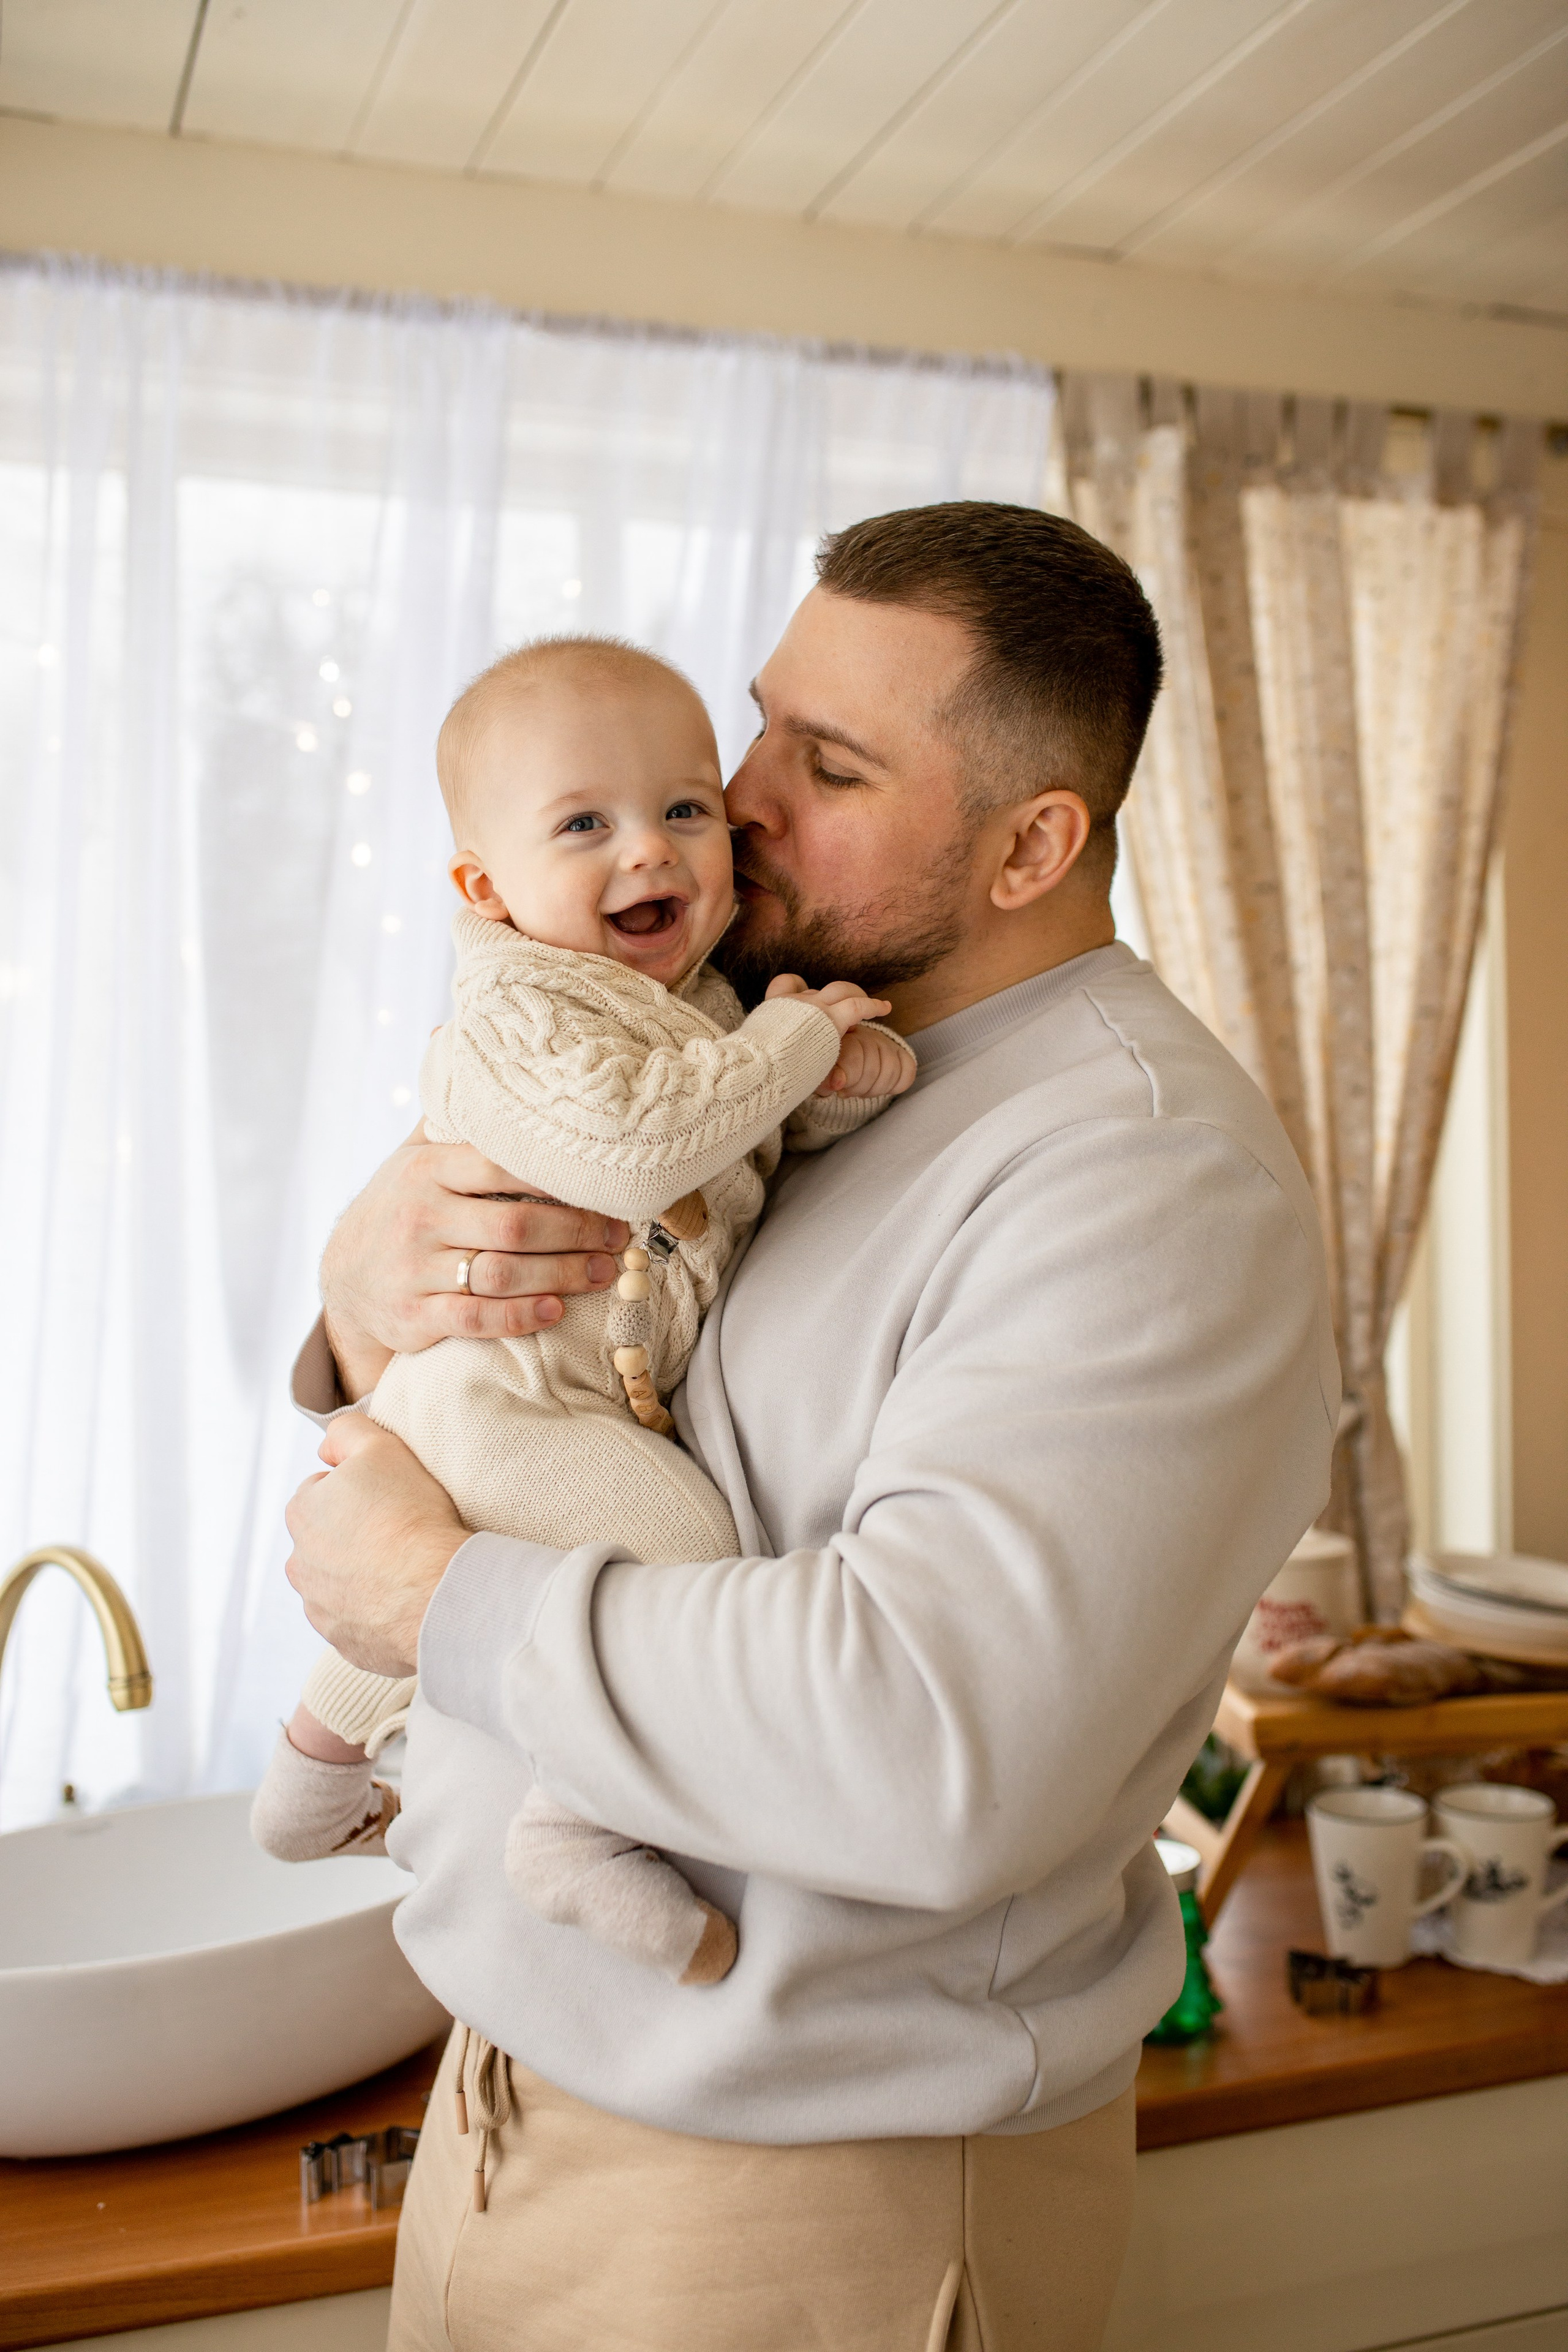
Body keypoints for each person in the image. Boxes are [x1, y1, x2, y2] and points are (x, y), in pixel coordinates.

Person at [284, 502, 1338, 2351]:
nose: (737, 796)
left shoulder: (1138, 1177)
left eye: (827, 763)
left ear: (1035, 842)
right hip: (509, 2110)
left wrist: (437, 1599)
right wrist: (363, 1291)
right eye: (760, 723)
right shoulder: (753, 1043)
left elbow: (932, 1737)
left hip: (802, 2209)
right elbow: (616, 1370)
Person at [251, 636, 911, 1991]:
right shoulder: (515, 1013)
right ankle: (578, 1823)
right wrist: (788, 1047)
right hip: (497, 1395)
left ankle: (311, 1780)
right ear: (485, 888)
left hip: (532, 1394)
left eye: (681, 809)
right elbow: (639, 1154)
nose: (651, 853)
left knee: (441, 1582)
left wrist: (834, 1078)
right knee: (685, 1544)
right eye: (583, 826)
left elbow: (743, 1152)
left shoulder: (692, 1004)